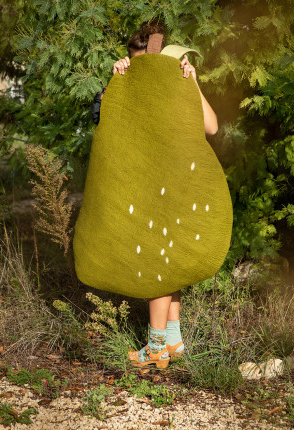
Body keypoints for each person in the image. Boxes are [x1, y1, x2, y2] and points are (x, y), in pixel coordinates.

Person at [90, 22, 219, 368]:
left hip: (173, 186)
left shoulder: (179, 81)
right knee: (168, 262)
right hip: (152, 185)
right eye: (133, 64)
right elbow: (102, 119)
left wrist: (191, 80)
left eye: (142, 64)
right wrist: (117, 82)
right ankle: (173, 342)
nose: (138, 71)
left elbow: (211, 126)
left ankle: (156, 346)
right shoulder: (130, 84)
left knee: (157, 264)